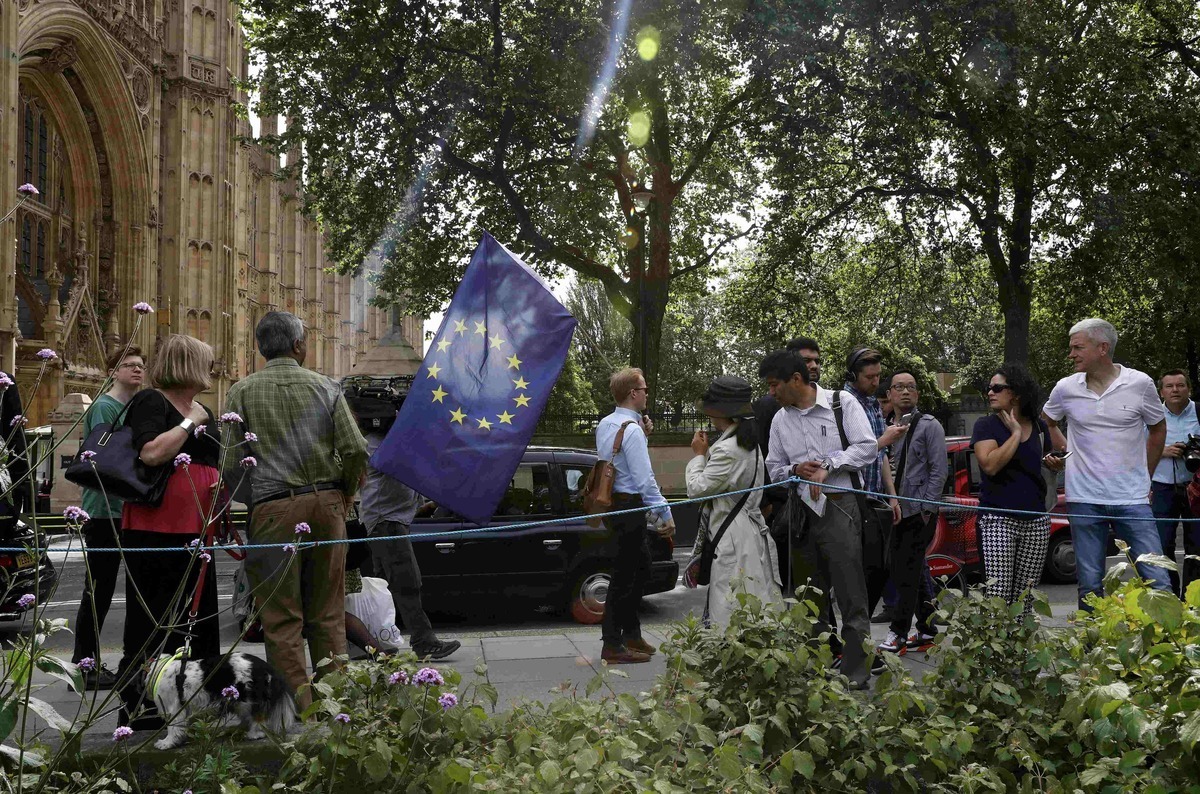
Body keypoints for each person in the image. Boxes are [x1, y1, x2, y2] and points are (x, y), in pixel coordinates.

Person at [225, 312, 368, 709]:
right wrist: (346, 492)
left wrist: (257, 500)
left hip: (272, 507)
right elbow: (356, 449)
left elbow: (230, 464)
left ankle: (297, 714)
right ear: (299, 345)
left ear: (260, 347)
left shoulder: (241, 392)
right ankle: (336, 708)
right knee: (327, 613)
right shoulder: (326, 387)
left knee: (282, 619)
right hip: (326, 502)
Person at [115, 335, 221, 728]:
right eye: (206, 362)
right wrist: (191, 422)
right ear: (189, 365)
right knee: (151, 622)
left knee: (199, 622)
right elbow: (152, 453)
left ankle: (195, 706)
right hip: (156, 530)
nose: (212, 370)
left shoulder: (204, 408)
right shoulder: (152, 402)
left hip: (198, 532)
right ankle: (141, 709)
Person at [761, 349, 878, 689]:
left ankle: (856, 673)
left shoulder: (842, 403)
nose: (771, 393)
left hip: (841, 506)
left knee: (850, 593)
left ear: (796, 380)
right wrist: (796, 469)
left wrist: (829, 464)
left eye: (773, 385)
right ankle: (816, 670)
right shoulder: (781, 419)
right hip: (801, 513)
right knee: (808, 596)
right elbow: (773, 467)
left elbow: (868, 447)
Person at [1042, 318, 1172, 609]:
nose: (1071, 354)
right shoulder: (1065, 388)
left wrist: (1146, 475)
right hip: (1084, 499)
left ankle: (1168, 646)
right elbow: (1049, 418)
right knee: (1089, 584)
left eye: (1077, 347)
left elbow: (1158, 428)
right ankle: (1093, 651)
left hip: (1133, 498)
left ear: (1102, 348)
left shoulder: (1140, 383)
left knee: (1157, 578)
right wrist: (1062, 448)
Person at [683, 376, 781, 628]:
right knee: (751, 603)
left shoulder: (727, 449)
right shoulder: (750, 444)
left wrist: (698, 456)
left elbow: (697, 489)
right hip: (747, 530)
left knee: (729, 608)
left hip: (732, 535)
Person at [358, 420, 460, 660]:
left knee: (383, 586)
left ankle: (371, 644)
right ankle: (423, 641)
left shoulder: (382, 443)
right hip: (387, 522)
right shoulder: (384, 445)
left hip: (388, 521)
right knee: (407, 583)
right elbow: (415, 468)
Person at [73, 346, 144, 690]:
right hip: (104, 511)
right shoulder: (105, 406)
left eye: (140, 366)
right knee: (98, 591)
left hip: (125, 511)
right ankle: (84, 665)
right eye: (129, 365)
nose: (136, 370)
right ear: (114, 371)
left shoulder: (133, 405)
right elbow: (106, 456)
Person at [596, 367, 675, 664]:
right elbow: (643, 478)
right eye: (643, 389)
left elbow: (623, 462)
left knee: (640, 565)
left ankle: (631, 633)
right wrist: (664, 513)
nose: (647, 394)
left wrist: (641, 434)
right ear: (633, 394)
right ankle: (612, 644)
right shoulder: (630, 430)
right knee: (625, 575)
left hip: (613, 506)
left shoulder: (606, 424)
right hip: (630, 506)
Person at [875, 371, 946, 667]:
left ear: (917, 394)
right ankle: (928, 630)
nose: (905, 392)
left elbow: (938, 470)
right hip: (893, 510)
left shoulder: (929, 426)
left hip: (917, 511)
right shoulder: (884, 427)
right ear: (890, 394)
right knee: (914, 570)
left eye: (911, 388)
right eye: (899, 387)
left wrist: (926, 509)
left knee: (904, 571)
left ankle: (899, 633)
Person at [971, 363, 1053, 612]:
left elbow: (1043, 464)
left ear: (1015, 393)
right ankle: (996, 650)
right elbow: (990, 465)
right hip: (998, 519)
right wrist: (1015, 434)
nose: (990, 393)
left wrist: (1055, 463)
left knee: (1026, 595)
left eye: (997, 388)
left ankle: (1020, 649)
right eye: (989, 388)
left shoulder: (1039, 426)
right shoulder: (985, 425)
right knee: (997, 594)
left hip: (1036, 519)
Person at [751, 336, 822, 591]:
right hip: (783, 505)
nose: (812, 366)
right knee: (792, 579)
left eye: (816, 360)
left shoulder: (831, 404)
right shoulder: (771, 406)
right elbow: (763, 454)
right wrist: (767, 501)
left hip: (822, 503)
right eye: (806, 361)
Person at [1151, 370, 1200, 595]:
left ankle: (1191, 598)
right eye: (1169, 386)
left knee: (1196, 546)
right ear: (1161, 391)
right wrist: (1163, 451)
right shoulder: (1152, 415)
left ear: (1188, 388)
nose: (1175, 390)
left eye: (1180, 385)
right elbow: (1133, 450)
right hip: (1163, 487)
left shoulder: (1199, 411)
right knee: (1162, 545)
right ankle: (1169, 596)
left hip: (1196, 487)